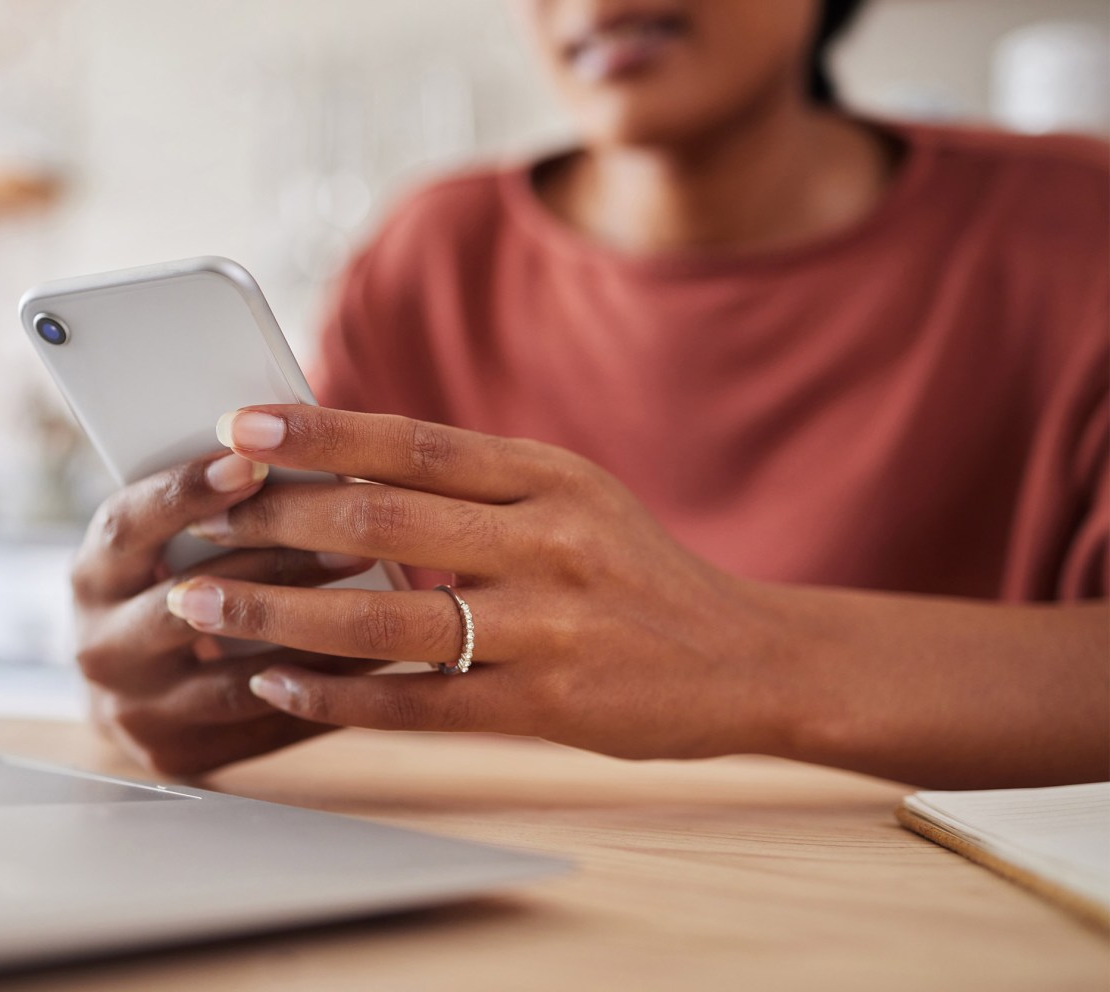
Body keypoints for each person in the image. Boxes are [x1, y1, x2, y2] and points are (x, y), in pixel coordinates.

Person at [70, 0, 1108, 789]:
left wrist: (748, 659)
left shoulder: (1077, 226)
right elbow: (326, 609)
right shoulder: (432, 251)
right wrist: (185, 666)